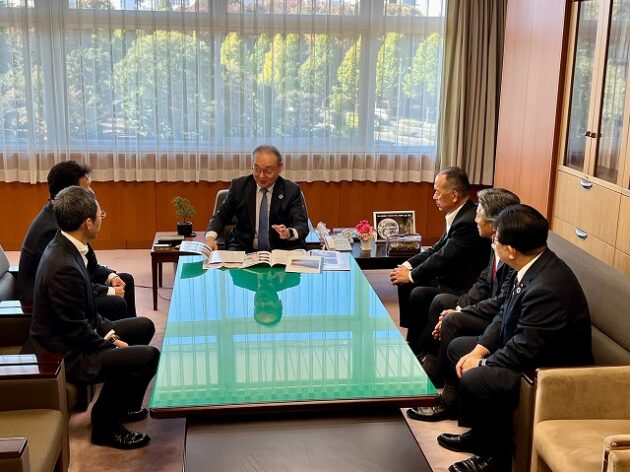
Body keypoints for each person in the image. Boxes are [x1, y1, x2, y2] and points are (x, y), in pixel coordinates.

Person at [423, 205, 593, 472]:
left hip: (548, 372)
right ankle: (479, 434)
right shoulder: (529, 264)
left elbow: (524, 349)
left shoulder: (547, 288)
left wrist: (481, 364)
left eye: (496, 238)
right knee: (459, 348)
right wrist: (480, 349)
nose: (493, 242)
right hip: (526, 351)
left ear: (511, 250)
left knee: (477, 377)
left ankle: (494, 458)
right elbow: (503, 313)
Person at [25, 186, 160, 450]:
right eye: (101, 215)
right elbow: (77, 332)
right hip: (66, 353)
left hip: (74, 336)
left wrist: (110, 333)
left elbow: (85, 313)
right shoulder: (63, 267)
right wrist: (112, 345)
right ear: (88, 223)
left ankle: (124, 406)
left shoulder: (67, 244)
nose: (102, 219)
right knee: (148, 356)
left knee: (144, 326)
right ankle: (105, 426)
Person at [408, 188, 520, 392]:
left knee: (452, 319)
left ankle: (446, 386)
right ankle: (431, 360)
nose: (475, 218)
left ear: (494, 222)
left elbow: (501, 302)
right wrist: (459, 307)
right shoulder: (494, 242)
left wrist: (460, 312)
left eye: (479, 212)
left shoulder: (512, 252)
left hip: (498, 316)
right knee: (441, 302)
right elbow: (483, 282)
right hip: (488, 307)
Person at [18, 160, 137, 321]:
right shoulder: (52, 230)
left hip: (72, 284)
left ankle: (129, 333)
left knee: (125, 280)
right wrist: (109, 291)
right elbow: (68, 283)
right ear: (70, 193)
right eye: (86, 188)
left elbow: (86, 265)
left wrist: (110, 276)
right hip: (51, 303)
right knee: (116, 302)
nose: (92, 193)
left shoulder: (65, 216)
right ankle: (113, 335)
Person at [390, 167, 490, 353]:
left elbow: (443, 256)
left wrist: (411, 275)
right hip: (451, 274)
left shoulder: (467, 221)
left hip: (463, 285)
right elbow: (437, 248)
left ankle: (420, 347)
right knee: (407, 283)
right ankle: (413, 340)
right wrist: (407, 266)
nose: (434, 196)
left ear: (454, 195)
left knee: (417, 290)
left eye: (437, 191)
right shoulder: (460, 213)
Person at [205, 145, 309, 252]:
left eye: (268, 170)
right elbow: (221, 216)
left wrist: (288, 233)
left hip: (281, 250)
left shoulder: (291, 191)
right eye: (257, 169)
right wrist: (210, 238)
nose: (261, 176)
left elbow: (302, 225)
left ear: (280, 167)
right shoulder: (239, 186)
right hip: (243, 248)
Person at [229, 268, 301, 326]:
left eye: (259, 308)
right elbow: (300, 255)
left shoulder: (239, 279)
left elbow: (230, 256)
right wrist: (282, 267)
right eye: (268, 307)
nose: (262, 303)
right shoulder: (291, 279)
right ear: (279, 304)